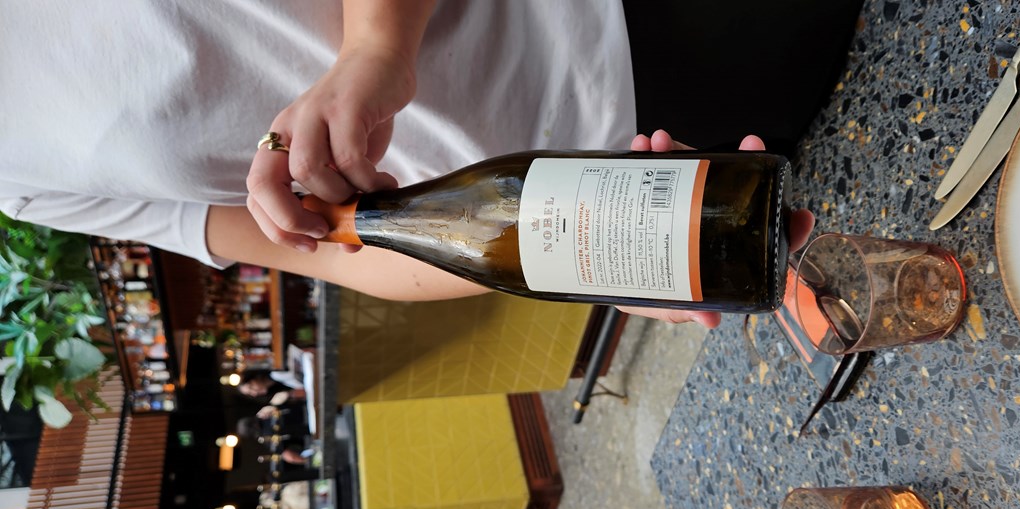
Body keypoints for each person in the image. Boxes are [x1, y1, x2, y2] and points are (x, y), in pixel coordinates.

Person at [0, 1, 860, 327]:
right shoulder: (18, 182)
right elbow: (336, 253)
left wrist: (376, 45)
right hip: (632, 177)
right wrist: (583, 269)